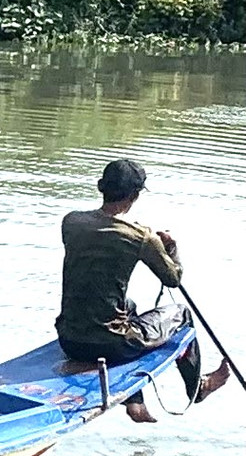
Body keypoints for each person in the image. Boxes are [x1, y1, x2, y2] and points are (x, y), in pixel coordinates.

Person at [55, 159, 229, 422]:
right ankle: (198, 388)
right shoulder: (141, 236)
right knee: (181, 314)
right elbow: (173, 279)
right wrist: (171, 249)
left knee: (129, 304)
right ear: (135, 196)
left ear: (102, 187)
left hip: (69, 340)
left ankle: (135, 401)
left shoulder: (71, 222)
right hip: (111, 344)